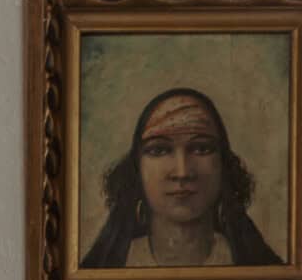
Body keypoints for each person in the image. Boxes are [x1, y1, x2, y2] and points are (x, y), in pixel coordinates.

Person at [82, 86, 283, 270]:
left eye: (201, 148)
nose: (182, 172)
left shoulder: (261, 269)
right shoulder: (106, 268)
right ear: (136, 169)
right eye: (159, 150)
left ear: (224, 166)